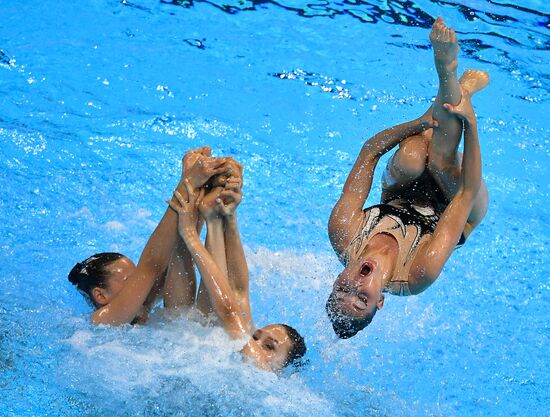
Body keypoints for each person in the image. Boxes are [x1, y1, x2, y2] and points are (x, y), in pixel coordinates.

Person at [326, 17, 489, 338]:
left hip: (403, 188)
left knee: (413, 155)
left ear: (333, 281)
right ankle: (449, 75)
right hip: (457, 205)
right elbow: (467, 193)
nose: (356, 285)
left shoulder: (343, 232)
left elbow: (369, 152)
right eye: (362, 299)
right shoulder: (417, 274)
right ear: (380, 303)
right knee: (441, 162)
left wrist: (420, 122)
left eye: (342, 290)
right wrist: (470, 121)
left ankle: (455, 84)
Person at [68, 147, 230, 325]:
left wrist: (201, 193)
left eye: (136, 275)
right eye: (131, 280)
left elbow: (177, 253)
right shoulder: (102, 321)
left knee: (183, 313)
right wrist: (187, 183)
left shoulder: (140, 311)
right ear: (101, 295)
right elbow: (151, 265)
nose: (140, 281)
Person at [168, 164, 306, 371]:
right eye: (256, 338)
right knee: (202, 323)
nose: (254, 344)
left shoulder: (261, 372)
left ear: (282, 370)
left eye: (269, 347)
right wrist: (227, 217)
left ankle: (190, 193)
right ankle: (205, 206)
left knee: (210, 320)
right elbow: (239, 292)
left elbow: (230, 312)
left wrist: (190, 235)